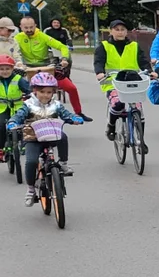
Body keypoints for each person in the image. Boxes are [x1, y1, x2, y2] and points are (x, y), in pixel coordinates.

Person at [6, 72, 84, 206]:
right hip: (33, 137)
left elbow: (66, 115)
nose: (46, 95)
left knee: (63, 137)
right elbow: (19, 116)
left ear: (53, 92)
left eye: (49, 92)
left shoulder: (56, 105)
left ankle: (64, 164)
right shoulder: (28, 105)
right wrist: (13, 122)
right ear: (34, 91)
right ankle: (30, 189)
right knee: (31, 161)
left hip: (51, 134)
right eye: (42, 91)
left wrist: (74, 118)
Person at [14, 16, 91, 121]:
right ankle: (17, 117)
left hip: (46, 68)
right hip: (27, 69)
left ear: (35, 26)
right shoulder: (18, 38)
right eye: (26, 28)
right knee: (17, 90)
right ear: (21, 27)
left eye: (31, 27)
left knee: (71, 88)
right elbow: (11, 50)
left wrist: (64, 59)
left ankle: (78, 113)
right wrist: (16, 63)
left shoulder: (43, 36)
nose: (29, 30)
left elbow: (62, 47)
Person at [94, 19, 155, 147]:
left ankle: (141, 140)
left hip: (133, 82)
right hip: (113, 83)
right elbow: (99, 61)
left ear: (126, 32)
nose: (120, 32)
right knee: (118, 104)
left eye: (123, 30)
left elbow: (143, 61)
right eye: (117, 30)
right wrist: (99, 73)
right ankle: (111, 125)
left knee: (137, 109)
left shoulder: (134, 46)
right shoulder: (104, 46)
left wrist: (149, 71)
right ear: (111, 31)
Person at [0, 54, 30, 161]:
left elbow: (29, 89)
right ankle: (1, 148)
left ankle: (23, 143)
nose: (4, 71)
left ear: (12, 69)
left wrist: (31, 94)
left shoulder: (18, 79)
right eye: (1, 69)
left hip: (17, 106)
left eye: (7, 69)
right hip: (2, 108)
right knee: (1, 125)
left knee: (23, 124)